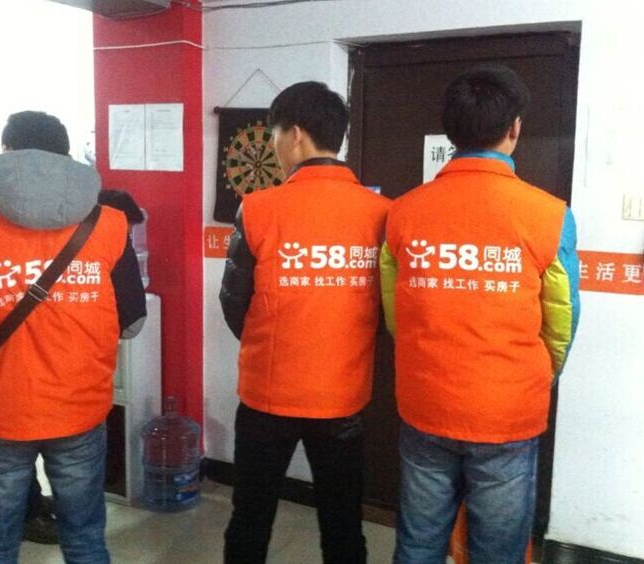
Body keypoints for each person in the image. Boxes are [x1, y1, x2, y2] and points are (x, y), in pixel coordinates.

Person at [0, 111, 146, 563]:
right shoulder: (110, 222)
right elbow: (131, 321)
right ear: (66, 154)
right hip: (80, 403)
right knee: (85, 539)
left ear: (6, 151)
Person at [381, 64, 581, 563]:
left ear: (452, 131)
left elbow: (394, 311)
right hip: (508, 412)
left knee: (418, 545)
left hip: (425, 401)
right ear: (514, 128)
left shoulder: (403, 212)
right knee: (498, 553)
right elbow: (562, 319)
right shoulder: (550, 215)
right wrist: (542, 374)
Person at [220, 81, 391, 564]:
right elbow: (388, 309)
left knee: (250, 520)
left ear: (294, 134)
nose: (274, 147)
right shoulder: (382, 213)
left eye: (274, 135)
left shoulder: (257, 208)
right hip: (343, 395)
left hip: (267, 395)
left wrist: (275, 340)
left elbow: (234, 303)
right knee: (343, 524)